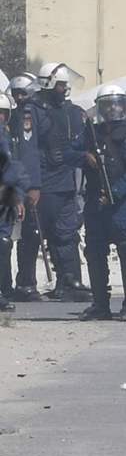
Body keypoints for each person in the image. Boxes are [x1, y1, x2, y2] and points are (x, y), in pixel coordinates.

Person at [67, 85, 126, 321]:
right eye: (108, 104)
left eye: (117, 104)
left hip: (122, 203)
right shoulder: (91, 132)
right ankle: (100, 304)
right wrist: (85, 156)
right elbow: (66, 154)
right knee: (94, 251)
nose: (112, 108)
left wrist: (116, 191)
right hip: (95, 201)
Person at [33, 64, 90, 302]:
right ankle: (57, 280)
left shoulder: (71, 111)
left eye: (66, 85)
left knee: (67, 233)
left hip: (67, 180)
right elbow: (28, 149)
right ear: (48, 84)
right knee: (49, 234)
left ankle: (71, 280)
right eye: (60, 84)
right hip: (45, 183)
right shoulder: (34, 111)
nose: (64, 89)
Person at [3, 74, 45, 304]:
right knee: (6, 239)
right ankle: (7, 286)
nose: (19, 98)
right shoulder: (15, 116)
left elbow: (29, 155)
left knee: (29, 236)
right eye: (15, 94)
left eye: (22, 93)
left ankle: (26, 282)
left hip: (21, 184)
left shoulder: (28, 114)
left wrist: (33, 186)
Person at [0, 94, 28, 312]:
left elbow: (15, 169)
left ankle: (3, 290)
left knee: (4, 242)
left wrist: (18, 196)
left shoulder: (9, 139)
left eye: (4, 113)